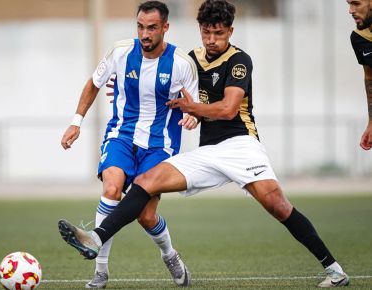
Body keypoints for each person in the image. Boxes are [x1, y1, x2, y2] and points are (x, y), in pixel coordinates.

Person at [58, 0, 350, 288]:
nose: (212, 40)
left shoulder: (239, 61)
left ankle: (335, 270)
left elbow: (227, 110)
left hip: (240, 145)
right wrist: (127, 86)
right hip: (208, 151)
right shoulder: (190, 61)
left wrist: (192, 110)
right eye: (206, 32)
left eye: (219, 33)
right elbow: (172, 91)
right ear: (200, 30)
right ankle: (96, 237)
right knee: (146, 181)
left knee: (277, 205)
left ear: (230, 32)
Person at [59, 1, 198, 288]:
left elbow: (195, 105)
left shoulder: (182, 64)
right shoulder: (121, 52)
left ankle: (169, 255)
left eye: (151, 28)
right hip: (121, 135)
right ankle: (100, 271)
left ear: (165, 28)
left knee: (146, 216)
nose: (144, 34)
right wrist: (76, 121)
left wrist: (192, 117)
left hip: (160, 146)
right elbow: (93, 83)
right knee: (111, 189)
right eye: (140, 27)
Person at [348, 0, 372, 150]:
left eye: (356, 4)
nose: (350, 10)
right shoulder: (359, 38)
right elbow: (370, 77)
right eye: (349, 4)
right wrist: (371, 123)